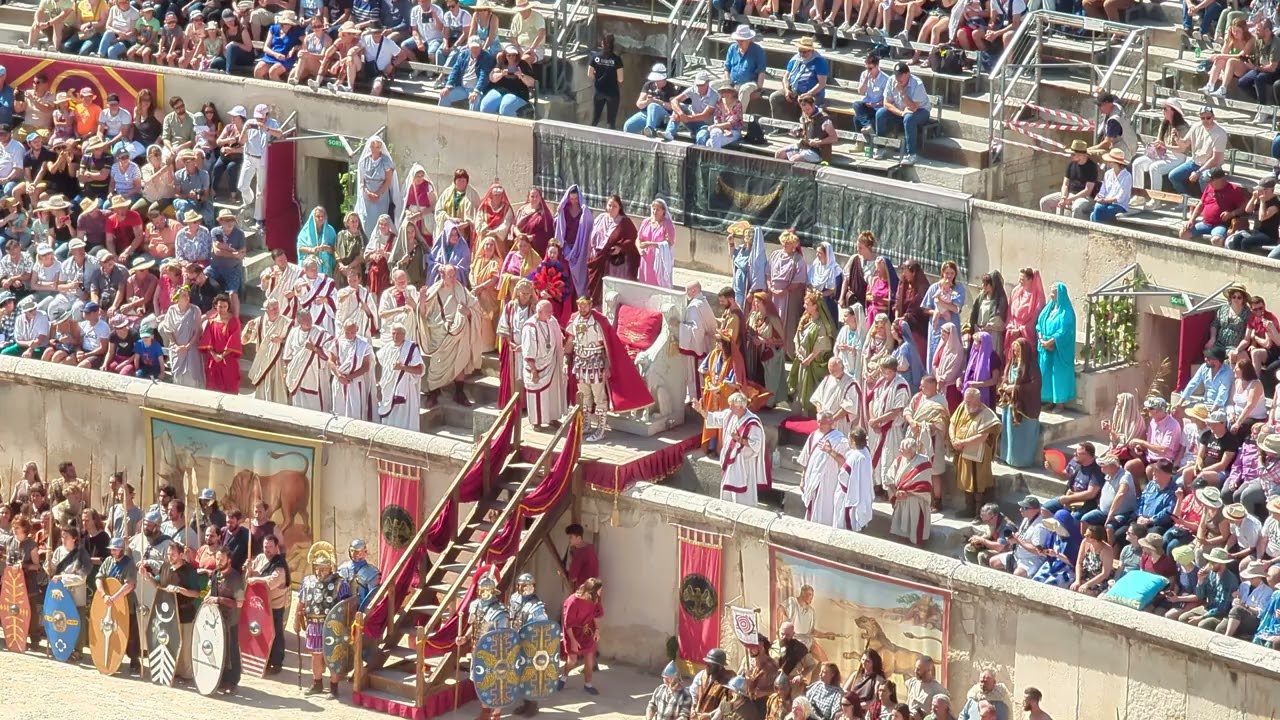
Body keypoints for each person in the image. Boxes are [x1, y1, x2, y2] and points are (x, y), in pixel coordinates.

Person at [693, 392, 769, 506]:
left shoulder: (752, 422)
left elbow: (756, 444)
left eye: (732, 405)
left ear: (740, 406)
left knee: (744, 496)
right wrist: (700, 410)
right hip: (730, 462)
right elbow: (713, 418)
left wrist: (739, 439)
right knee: (727, 494)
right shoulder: (730, 415)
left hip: (745, 465)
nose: (729, 407)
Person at [421, 264, 481, 408]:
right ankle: (433, 393)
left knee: (460, 362)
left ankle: (459, 393)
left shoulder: (461, 290)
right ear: (442, 276)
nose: (454, 278)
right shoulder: (434, 291)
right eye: (450, 276)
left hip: (460, 332)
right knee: (437, 364)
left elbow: (476, 307)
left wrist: (469, 312)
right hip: (440, 333)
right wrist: (422, 301)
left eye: (455, 275)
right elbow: (423, 314)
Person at [295, 541, 350, 696]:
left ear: (330, 567)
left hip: (332, 624)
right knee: (316, 655)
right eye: (319, 568)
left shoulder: (340, 583)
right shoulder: (307, 582)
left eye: (325, 568)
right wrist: (296, 619)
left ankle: (334, 687)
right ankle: (317, 683)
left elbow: (346, 606)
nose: (322, 571)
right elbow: (301, 602)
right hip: (313, 624)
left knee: (333, 655)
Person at [950, 388, 1002, 517]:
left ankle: (979, 513)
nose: (966, 403)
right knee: (965, 481)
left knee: (979, 483)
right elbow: (952, 423)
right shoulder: (962, 407)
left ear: (977, 399)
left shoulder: (987, 414)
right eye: (965, 399)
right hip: (962, 452)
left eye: (969, 400)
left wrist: (962, 443)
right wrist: (953, 439)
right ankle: (969, 509)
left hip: (978, 454)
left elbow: (982, 436)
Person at [202, 545, 244, 694]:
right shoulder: (215, 574)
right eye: (217, 558)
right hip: (216, 619)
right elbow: (210, 592)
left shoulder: (235, 578)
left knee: (231, 651)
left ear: (229, 560)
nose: (218, 562)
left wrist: (219, 599)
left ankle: (233, 682)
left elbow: (239, 603)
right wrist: (205, 601)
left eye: (221, 559)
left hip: (230, 620)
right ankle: (221, 679)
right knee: (219, 650)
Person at [248, 533, 290, 675]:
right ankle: (263, 660)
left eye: (270, 547)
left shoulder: (280, 564)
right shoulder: (260, 558)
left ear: (276, 547)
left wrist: (257, 579)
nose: (268, 549)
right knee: (261, 631)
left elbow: (272, 581)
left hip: (275, 604)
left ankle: (276, 662)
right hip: (260, 603)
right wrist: (248, 569)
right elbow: (252, 573)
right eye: (266, 546)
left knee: (276, 633)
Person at [798, 412, 850, 526]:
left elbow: (845, 462)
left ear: (831, 422)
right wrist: (802, 479)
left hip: (829, 482)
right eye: (818, 422)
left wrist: (830, 451)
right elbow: (805, 459)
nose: (820, 425)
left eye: (823, 422)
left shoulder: (840, 440)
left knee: (825, 511)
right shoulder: (813, 436)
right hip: (812, 479)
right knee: (811, 508)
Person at [873, 62, 931, 165]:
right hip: (901, 111)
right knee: (880, 113)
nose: (897, 77)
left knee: (909, 118)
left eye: (900, 75)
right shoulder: (891, 80)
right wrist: (900, 113)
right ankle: (880, 147)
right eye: (896, 74)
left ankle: (911, 154)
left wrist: (902, 92)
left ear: (908, 73)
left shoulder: (917, 84)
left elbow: (913, 107)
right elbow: (886, 103)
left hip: (920, 111)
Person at [996, 337, 1042, 468]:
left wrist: (1015, 388)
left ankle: (1021, 461)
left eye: (1018, 351)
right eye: (1014, 351)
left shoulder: (1031, 365)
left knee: (1022, 436)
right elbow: (1005, 376)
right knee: (1009, 434)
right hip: (1010, 404)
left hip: (1024, 406)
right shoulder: (1012, 363)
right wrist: (1004, 385)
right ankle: (1008, 457)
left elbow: (1035, 384)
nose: (1015, 353)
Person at [522, 298, 566, 428]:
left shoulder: (552, 321)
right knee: (537, 395)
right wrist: (533, 370)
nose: (551, 314)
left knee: (552, 392)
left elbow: (558, 337)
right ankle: (537, 422)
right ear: (539, 311)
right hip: (536, 366)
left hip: (551, 362)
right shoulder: (529, 327)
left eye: (551, 311)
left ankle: (552, 418)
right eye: (548, 312)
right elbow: (528, 349)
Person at [586, 194, 638, 304]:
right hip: (597, 257)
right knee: (593, 285)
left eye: (614, 206)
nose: (611, 208)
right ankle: (594, 305)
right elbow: (592, 235)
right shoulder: (601, 218)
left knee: (610, 287)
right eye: (609, 205)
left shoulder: (625, 222)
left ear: (620, 207)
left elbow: (632, 238)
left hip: (613, 263)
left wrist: (620, 247)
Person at [869, 356, 911, 493]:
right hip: (877, 428)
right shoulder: (881, 381)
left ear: (893, 371)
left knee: (889, 458)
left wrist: (878, 420)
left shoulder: (901, 385)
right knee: (877, 455)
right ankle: (877, 485)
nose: (883, 374)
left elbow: (896, 411)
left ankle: (890, 490)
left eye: (885, 372)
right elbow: (872, 400)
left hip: (892, 429)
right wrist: (873, 418)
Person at [789, 291, 835, 415]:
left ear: (815, 306)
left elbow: (821, 345)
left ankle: (810, 414)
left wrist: (809, 359)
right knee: (800, 387)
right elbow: (798, 335)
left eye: (807, 303)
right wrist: (797, 349)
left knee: (810, 389)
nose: (804, 306)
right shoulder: (805, 319)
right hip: (802, 359)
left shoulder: (821, 325)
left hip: (812, 363)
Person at [558, 577, 604, 695]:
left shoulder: (595, 599)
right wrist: (573, 641)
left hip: (587, 631)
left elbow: (595, 615)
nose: (601, 592)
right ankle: (563, 677)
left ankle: (588, 684)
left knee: (589, 661)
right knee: (572, 660)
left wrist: (597, 630)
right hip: (572, 632)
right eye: (599, 590)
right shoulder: (573, 602)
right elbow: (568, 624)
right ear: (591, 591)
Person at [282, 309, 333, 412]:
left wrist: (314, 348)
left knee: (317, 404)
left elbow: (330, 353)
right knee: (299, 403)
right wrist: (288, 369)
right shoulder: (293, 332)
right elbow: (287, 355)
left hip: (315, 373)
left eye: (310, 318)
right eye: (306, 319)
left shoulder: (320, 333)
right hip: (298, 375)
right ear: (299, 321)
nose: (309, 321)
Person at [1180, 167, 1248, 243]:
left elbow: (1244, 206)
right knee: (1183, 233)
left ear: (1221, 179)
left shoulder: (1233, 190)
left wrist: (1231, 214)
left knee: (1216, 240)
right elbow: (1201, 204)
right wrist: (1191, 220)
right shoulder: (1209, 187)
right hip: (1205, 223)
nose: (1209, 183)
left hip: (1221, 225)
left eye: (1212, 181)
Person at [1036, 282, 1076, 410]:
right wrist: (1042, 340)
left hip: (1059, 350)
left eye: (1054, 292)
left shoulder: (1066, 312)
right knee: (1046, 374)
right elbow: (1039, 324)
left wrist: (1051, 342)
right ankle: (1048, 400)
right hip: (1046, 348)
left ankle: (1060, 403)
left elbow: (1064, 331)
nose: (1051, 295)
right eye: (1051, 292)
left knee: (1058, 376)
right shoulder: (1048, 309)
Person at [376, 322, 424, 430]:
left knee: (404, 420)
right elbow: (384, 371)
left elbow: (419, 370)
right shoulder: (387, 348)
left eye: (398, 334)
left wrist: (403, 367)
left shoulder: (410, 348)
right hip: (388, 390)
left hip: (405, 390)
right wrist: (380, 385)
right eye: (393, 333)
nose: (395, 337)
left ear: (404, 334)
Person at [768, 229, 808, 354]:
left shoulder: (798, 260)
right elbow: (768, 273)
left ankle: (787, 351)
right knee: (772, 319)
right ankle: (771, 348)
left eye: (788, 242)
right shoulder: (775, 255)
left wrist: (783, 291)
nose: (784, 244)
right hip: (774, 294)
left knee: (788, 323)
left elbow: (798, 281)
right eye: (783, 242)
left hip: (789, 297)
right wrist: (771, 287)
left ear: (794, 245)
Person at [889, 437, 934, 545]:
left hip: (915, 499)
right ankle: (902, 541)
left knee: (915, 524)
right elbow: (889, 477)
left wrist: (907, 492)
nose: (900, 451)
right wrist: (895, 492)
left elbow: (924, 484)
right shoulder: (899, 460)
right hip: (900, 498)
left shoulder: (924, 461)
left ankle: (917, 544)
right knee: (901, 525)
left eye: (902, 449)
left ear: (911, 451)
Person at [1038, 140, 1099, 218]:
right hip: (1068, 194)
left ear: (1081, 155)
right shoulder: (1071, 164)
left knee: (1077, 208)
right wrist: (1064, 197)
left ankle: (1074, 229)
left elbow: (1087, 191)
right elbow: (1065, 184)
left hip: (1083, 197)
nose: (1071, 156)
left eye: (1073, 154)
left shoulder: (1092, 167)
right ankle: (1051, 225)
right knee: (1044, 202)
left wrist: (1070, 199)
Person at [330, 318, 374, 420]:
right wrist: (339, 375)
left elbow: (366, 366)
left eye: (352, 332)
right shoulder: (337, 342)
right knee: (339, 411)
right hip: (339, 381)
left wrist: (349, 377)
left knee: (356, 412)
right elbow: (331, 361)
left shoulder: (363, 345)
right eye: (347, 332)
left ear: (357, 329)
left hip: (355, 382)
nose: (350, 334)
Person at [200, 292, 242, 393]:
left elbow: (234, 340)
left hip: (228, 359)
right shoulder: (211, 321)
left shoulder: (234, 321)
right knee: (212, 386)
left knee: (230, 385)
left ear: (228, 306)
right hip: (213, 359)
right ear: (215, 306)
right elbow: (207, 339)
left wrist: (222, 355)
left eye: (225, 306)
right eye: (220, 306)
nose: (222, 309)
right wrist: (214, 355)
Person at [623, 62, 677, 137]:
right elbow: (639, 104)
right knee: (628, 125)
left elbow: (673, 107)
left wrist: (659, 102)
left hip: (663, 115)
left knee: (653, 106)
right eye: (655, 80)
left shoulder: (670, 87)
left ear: (664, 78)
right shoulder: (648, 85)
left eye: (659, 80)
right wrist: (647, 101)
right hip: (646, 113)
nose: (656, 82)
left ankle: (650, 128)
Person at [588, 33, 625, 129]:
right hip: (612, 93)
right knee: (610, 122)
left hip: (598, 91)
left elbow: (589, 74)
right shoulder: (617, 60)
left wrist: (598, 76)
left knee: (595, 119)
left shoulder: (595, 57)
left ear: (602, 44)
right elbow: (620, 79)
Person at [637, 199, 676, 288]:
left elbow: (670, 242)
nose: (655, 211)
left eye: (658, 209)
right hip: (646, 258)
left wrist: (650, 244)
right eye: (653, 209)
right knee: (645, 284)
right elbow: (638, 238)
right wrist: (640, 249)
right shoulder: (646, 222)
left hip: (659, 259)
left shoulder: (667, 224)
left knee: (657, 283)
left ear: (663, 211)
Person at [1088, 149, 1133, 224]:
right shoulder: (1108, 173)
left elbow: (1120, 197)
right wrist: (1099, 196)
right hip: (1105, 202)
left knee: (1097, 212)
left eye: (1110, 161)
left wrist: (1105, 200)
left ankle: (1096, 228)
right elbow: (1103, 190)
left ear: (1116, 163)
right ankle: (1098, 229)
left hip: (1119, 205)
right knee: (1098, 207)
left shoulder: (1127, 176)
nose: (1108, 163)